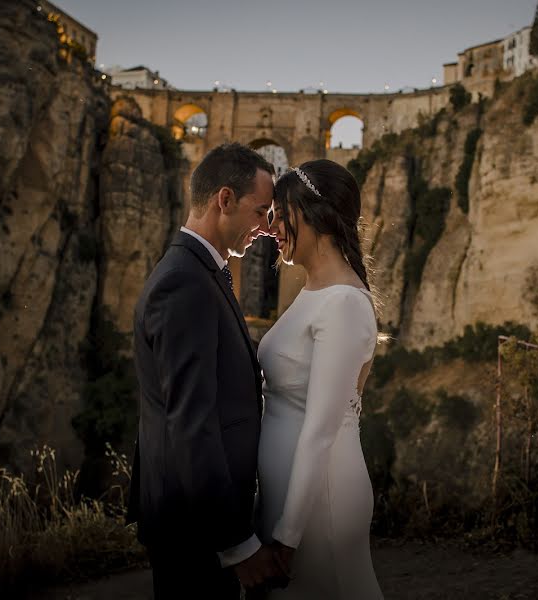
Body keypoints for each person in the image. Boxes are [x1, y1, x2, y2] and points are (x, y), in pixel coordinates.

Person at [126, 143, 288, 598]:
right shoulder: (184, 282)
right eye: (261, 211)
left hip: (195, 516)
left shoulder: (199, 271)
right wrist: (234, 540)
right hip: (194, 524)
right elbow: (192, 422)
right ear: (224, 200)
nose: (265, 228)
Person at [255, 159, 384, 598]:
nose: (272, 226)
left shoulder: (345, 303)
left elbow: (320, 431)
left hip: (321, 502)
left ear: (316, 215)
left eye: (280, 213)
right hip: (294, 498)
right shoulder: (313, 291)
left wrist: (287, 534)